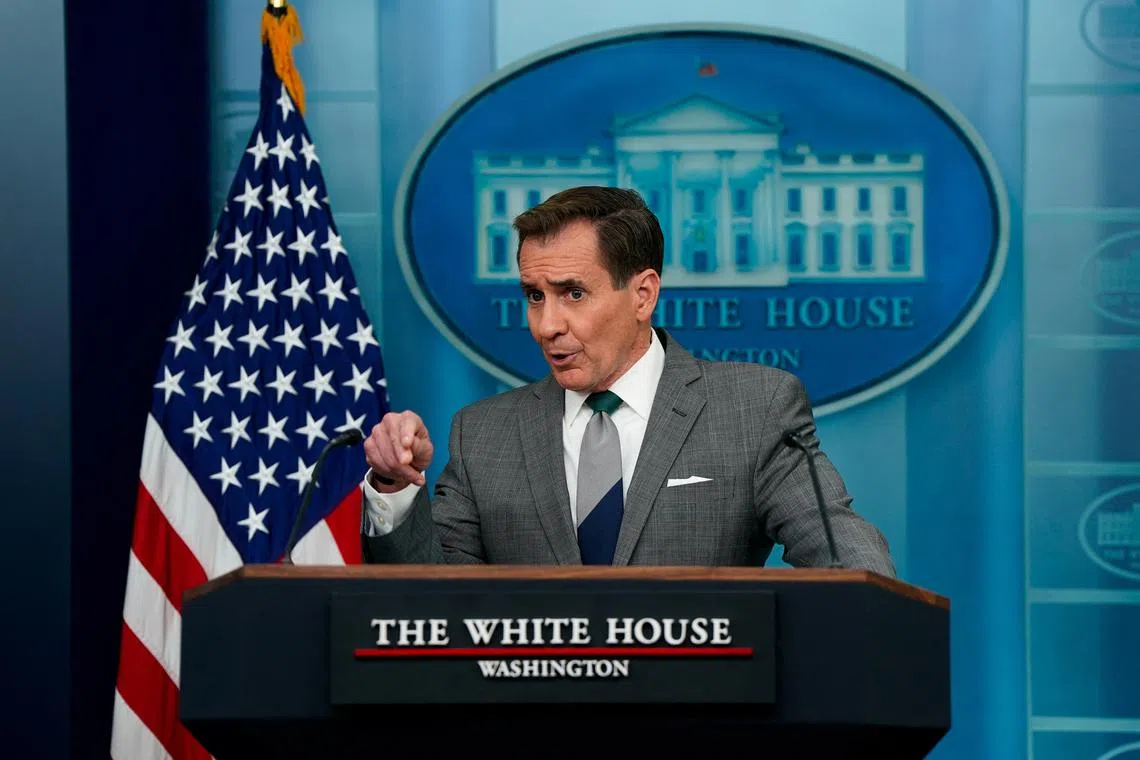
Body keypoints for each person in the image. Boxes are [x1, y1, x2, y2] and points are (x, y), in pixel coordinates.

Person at [359, 186, 894, 575]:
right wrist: (395, 489)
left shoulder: (751, 411)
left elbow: (841, 552)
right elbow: (433, 604)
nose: (547, 326)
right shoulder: (482, 435)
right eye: (533, 296)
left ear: (642, 295)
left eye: (573, 294)